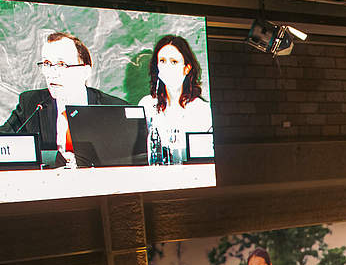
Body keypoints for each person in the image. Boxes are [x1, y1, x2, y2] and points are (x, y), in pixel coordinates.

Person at [0, 31, 128, 168]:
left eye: (61, 64)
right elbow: (4, 147)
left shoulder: (114, 109)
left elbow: (129, 161)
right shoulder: (31, 103)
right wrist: (51, 158)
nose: (52, 73)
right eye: (47, 63)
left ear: (85, 72)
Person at [138, 34, 212, 165]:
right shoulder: (147, 105)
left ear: (187, 68)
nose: (167, 67)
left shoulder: (202, 110)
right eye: (162, 61)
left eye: (174, 62)